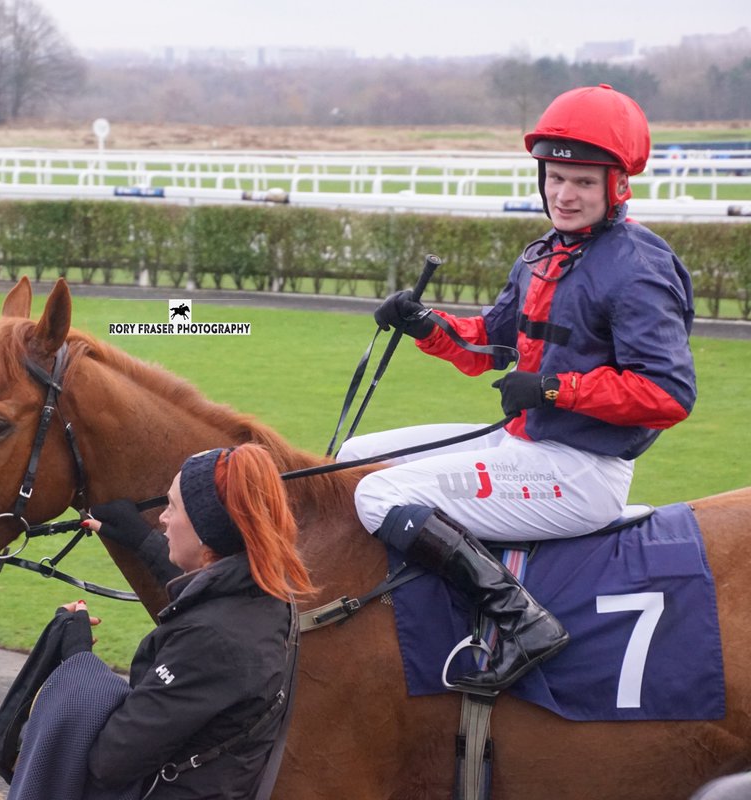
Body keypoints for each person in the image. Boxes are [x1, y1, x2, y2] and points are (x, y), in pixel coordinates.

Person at [340, 84, 696, 694]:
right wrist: (429, 325)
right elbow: (493, 346)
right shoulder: (542, 255)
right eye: (555, 177)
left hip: (583, 471)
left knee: (377, 497)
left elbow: (667, 394)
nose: (564, 193)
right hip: (524, 446)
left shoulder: (639, 268)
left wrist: (557, 389)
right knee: (353, 462)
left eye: (583, 181)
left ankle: (523, 621)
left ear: (617, 185)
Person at [59, 443, 315, 799]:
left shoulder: (211, 640)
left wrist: (76, 660)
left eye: (174, 507)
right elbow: (212, 589)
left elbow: (110, 759)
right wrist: (143, 541)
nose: (162, 518)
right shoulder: (269, 595)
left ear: (207, 533)